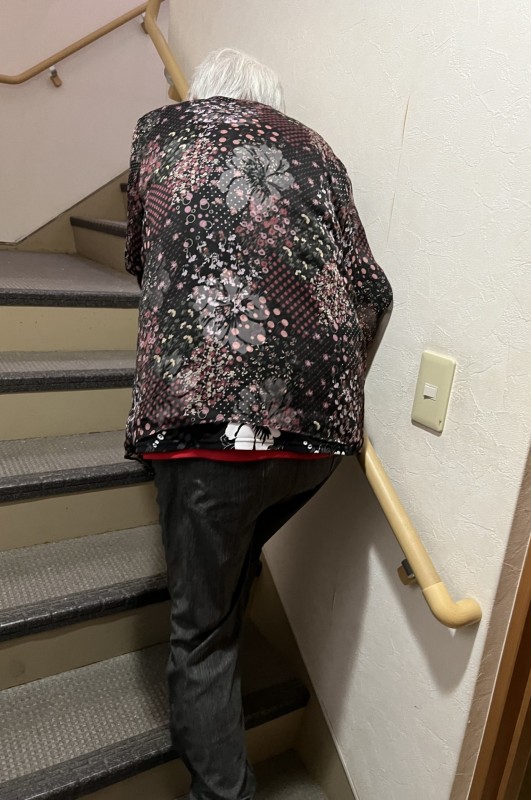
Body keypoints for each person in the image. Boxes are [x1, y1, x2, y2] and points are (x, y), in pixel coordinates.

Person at [124, 47, 392, 800]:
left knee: (199, 634)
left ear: (203, 96)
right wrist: (325, 395)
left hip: (208, 434)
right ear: (271, 103)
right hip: (321, 440)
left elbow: (143, 255)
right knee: (232, 563)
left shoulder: (161, 131)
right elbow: (372, 292)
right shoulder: (320, 151)